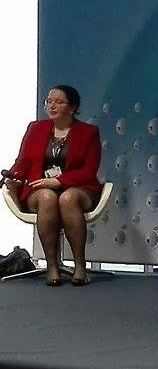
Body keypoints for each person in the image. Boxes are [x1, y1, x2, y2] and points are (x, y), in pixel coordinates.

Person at [5, 85, 103, 287]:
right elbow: (24, 161)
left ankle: (80, 265)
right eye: (49, 101)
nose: (52, 106)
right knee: (47, 196)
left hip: (79, 188)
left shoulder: (89, 132)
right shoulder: (36, 128)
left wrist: (58, 181)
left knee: (67, 198)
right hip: (41, 189)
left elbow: (89, 170)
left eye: (59, 102)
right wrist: (15, 175)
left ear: (72, 107)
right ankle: (51, 265)